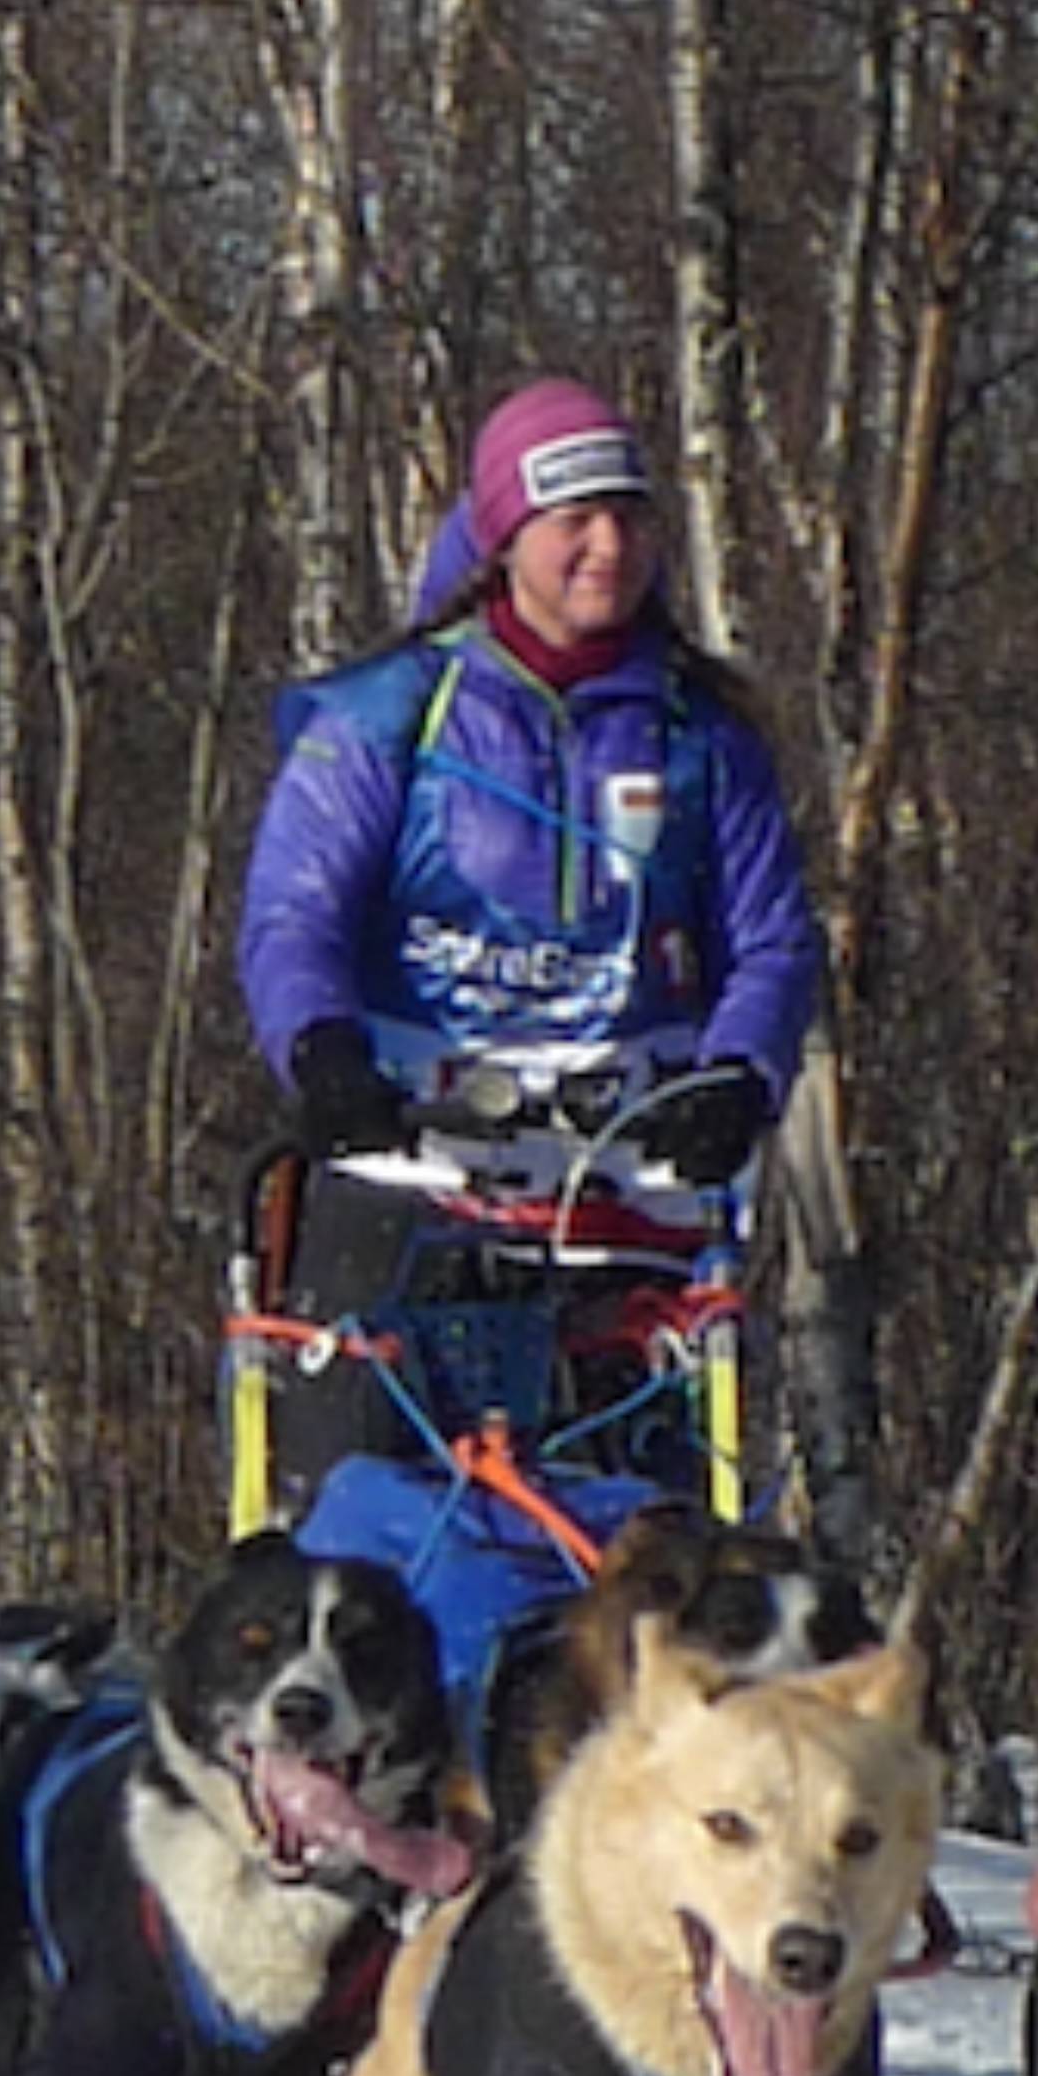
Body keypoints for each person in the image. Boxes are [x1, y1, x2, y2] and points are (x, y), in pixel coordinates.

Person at [236, 375, 822, 1507]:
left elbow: (773, 943)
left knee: (645, 1553)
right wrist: (320, 1050)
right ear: (506, 535)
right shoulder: (390, 716)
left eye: (631, 518)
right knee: (367, 1523)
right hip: (411, 1171)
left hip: (629, 1186)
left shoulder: (702, 737)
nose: (609, 548)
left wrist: (741, 1076)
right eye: (576, 521)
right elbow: (295, 913)